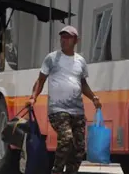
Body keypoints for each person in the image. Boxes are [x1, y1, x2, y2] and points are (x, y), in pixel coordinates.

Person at [27, 25, 102, 174]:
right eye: (62, 37)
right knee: (66, 138)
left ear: (76, 41)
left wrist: (93, 97)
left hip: (77, 111)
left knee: (79, 149)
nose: (64, 40)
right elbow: (41, 80)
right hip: (58, 110)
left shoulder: (80, 61)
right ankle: (57, 171)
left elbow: (83, 84)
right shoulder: (52, 59)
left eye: (68, 37)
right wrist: (33, 98)